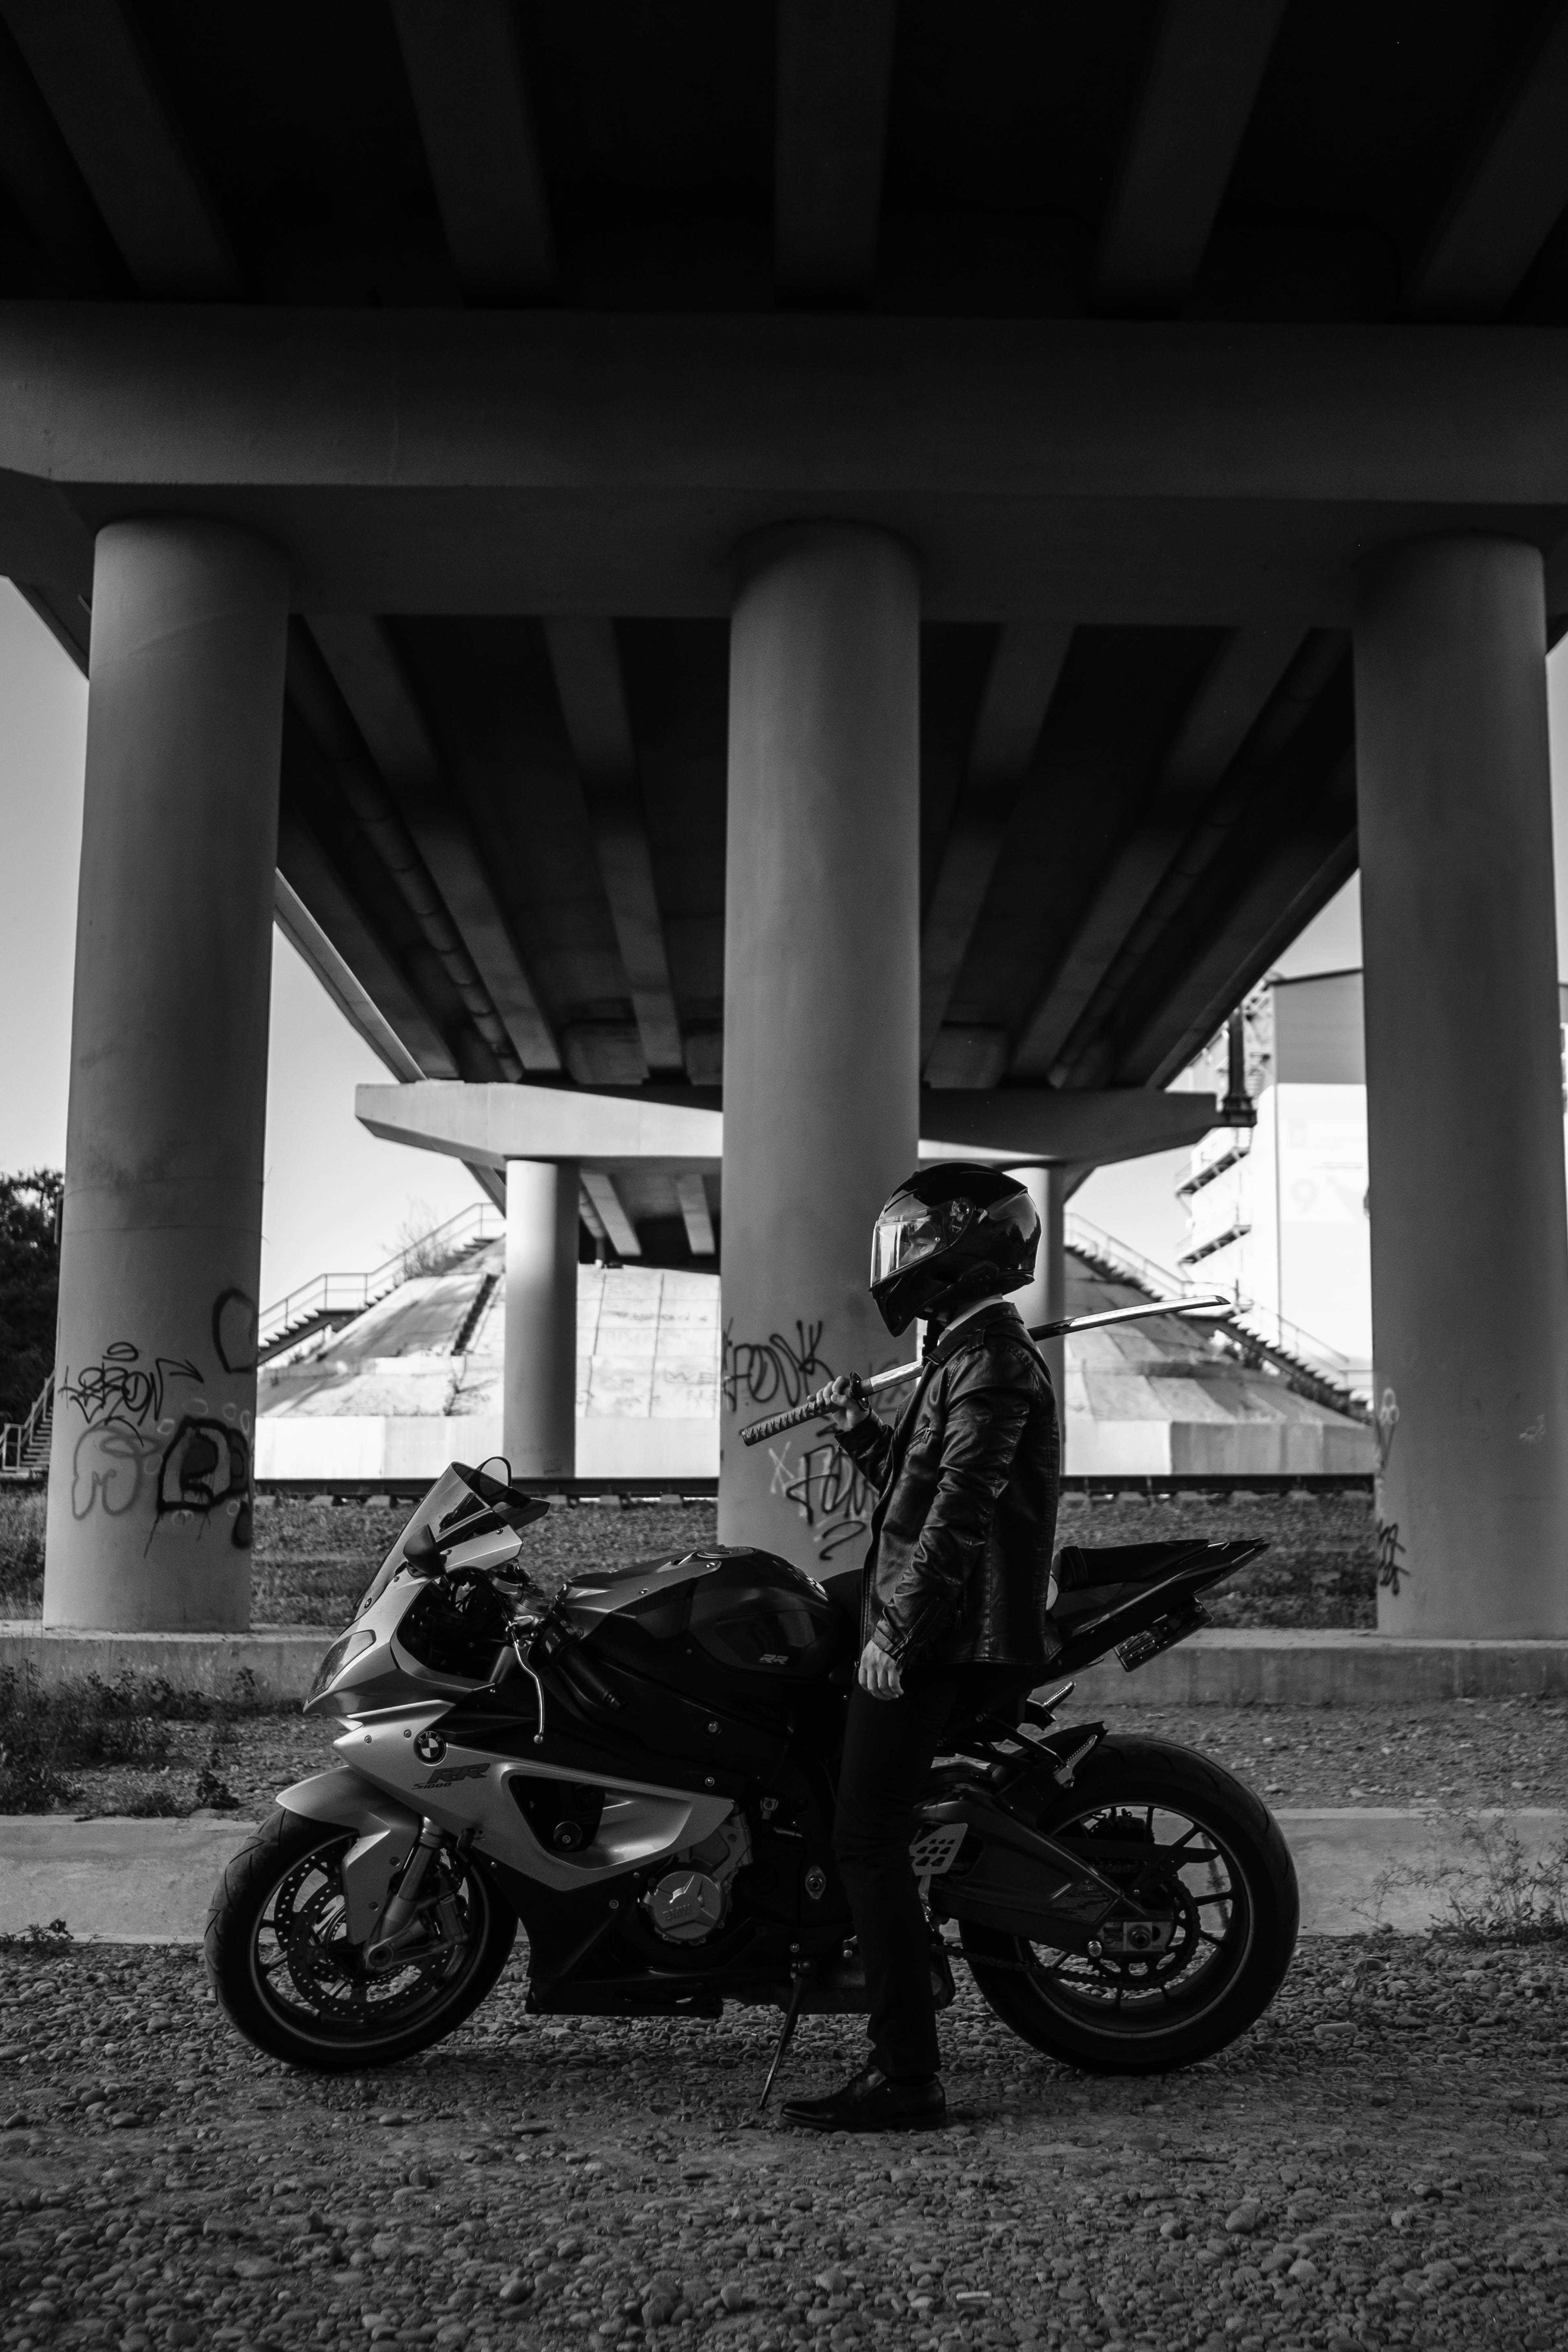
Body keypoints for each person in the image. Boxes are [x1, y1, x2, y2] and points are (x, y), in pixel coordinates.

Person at [781, 1163, 1061, 2134]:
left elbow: (962, 1514)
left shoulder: (990, 1356)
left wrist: (894, 1632)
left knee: (867, 1839)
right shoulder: (962, 1349)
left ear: (952, 1251)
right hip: (931, 1604)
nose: (897, 1259)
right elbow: (915, 1493)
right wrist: (863, 1433)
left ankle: (907, 2075)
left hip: (945, 1625)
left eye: (914, 1241)